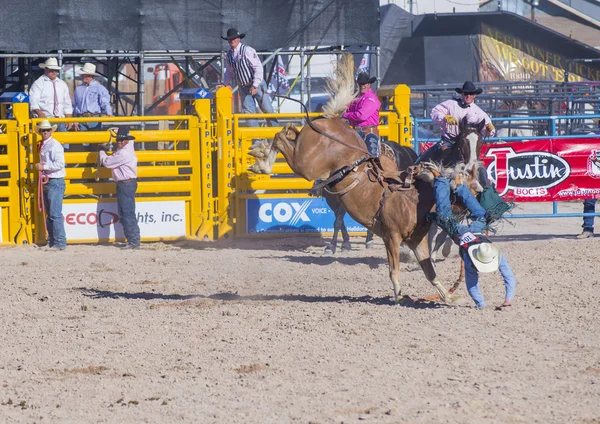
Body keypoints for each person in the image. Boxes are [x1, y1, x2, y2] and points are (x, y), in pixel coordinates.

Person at [428, 166, 516, 309]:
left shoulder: (496, 254)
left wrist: (507, 299)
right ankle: (441, 180)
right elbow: (473, 285)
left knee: (480, 214)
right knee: (444, 217)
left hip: (477, 230)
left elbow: (476, 285)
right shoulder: (479, 259)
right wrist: (505, 300)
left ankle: (460, 186)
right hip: (462, 234)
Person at [217, 28, 277, 127]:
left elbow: (258, 68)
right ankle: (257, 140)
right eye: (230, 39)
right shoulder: (229, 55)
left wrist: (255, 85)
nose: (232, 41)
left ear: (239, 39)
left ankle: (276, 134)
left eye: (234, 38)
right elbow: (229, 72)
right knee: (249, 114)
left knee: (267, 110)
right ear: (228, 40)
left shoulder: (247, 50)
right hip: (244, 87)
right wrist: (224, 84)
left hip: (257, 85)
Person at [99, 126, 141, 249]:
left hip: (125, 184)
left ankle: (133, 241)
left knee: (127, 213)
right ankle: (133, 239)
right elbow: (125, 138)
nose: (119, 142)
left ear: (127, 140)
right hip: (126, 184)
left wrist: (102, 151)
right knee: (126, 212)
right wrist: (119, 130)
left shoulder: (123, 153)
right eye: (118, 139)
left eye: (122, 140)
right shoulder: (128, 147)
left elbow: (107, 162)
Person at [428, 81, 496, 150]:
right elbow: (435, 112)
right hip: (448, 140)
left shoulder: (479, 113)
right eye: (466, 93)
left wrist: (489, 129)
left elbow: (489, 132)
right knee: (433, 154)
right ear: (462, 94)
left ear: (474, 95)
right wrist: (445, 118)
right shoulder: (451, 104)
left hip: (469, 145)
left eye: (471, 93)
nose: (468, 96)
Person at [34, 120, 67, 250]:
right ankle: (54, 241)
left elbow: (60, 164)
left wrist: (44, 166)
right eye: (43, 130)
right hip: (50, 181)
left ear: (50, 131)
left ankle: (59, 242)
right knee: (51, 213)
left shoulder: (55, 145)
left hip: (55, 181)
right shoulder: (45, 145)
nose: (45, 132)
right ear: (41, 132)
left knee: (54, 214)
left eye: (47, 130)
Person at [342, 72, 382, 156]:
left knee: (372, 157)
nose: (362, 86)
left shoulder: (370, 98)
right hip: (357, 132)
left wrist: (344, 115)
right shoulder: (359, 99)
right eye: (360, 84)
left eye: (364, 84)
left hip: (368, 132)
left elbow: (361, 115)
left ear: (368, 84)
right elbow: (349, 108)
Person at [29, 58, 73, 132]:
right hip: (46, 121)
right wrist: (40, 113)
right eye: (51, 70)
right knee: (47, 142)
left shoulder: (62, 84)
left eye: (56, 70)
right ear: (45, 69)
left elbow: (67, 103)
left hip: (61, 120)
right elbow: (33, 102)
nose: (54, 72)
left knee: (64, 142)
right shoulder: (38, 83)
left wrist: (69, 119)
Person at [72, 63, 113, 131]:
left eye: (84, 74)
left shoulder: (99, 88)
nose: (82, 76)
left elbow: (105, 103)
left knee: (96, 140)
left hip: (95, 118)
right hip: (81, 118)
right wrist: (74, 119)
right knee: (83, 140)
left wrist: (109, 113)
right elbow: (74, 105)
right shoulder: (78, 89)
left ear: (90, 76)